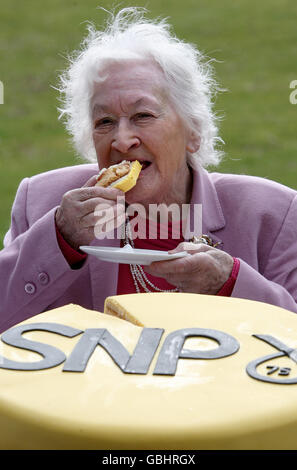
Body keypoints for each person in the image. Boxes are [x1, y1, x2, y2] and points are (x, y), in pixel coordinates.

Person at [1, 7, 297, 333]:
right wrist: (59, 242)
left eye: (143, 115)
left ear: (193, 131)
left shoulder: (273, 214)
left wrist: (230, 285)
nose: (122, 139)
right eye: (105, 122)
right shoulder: (44, 202)